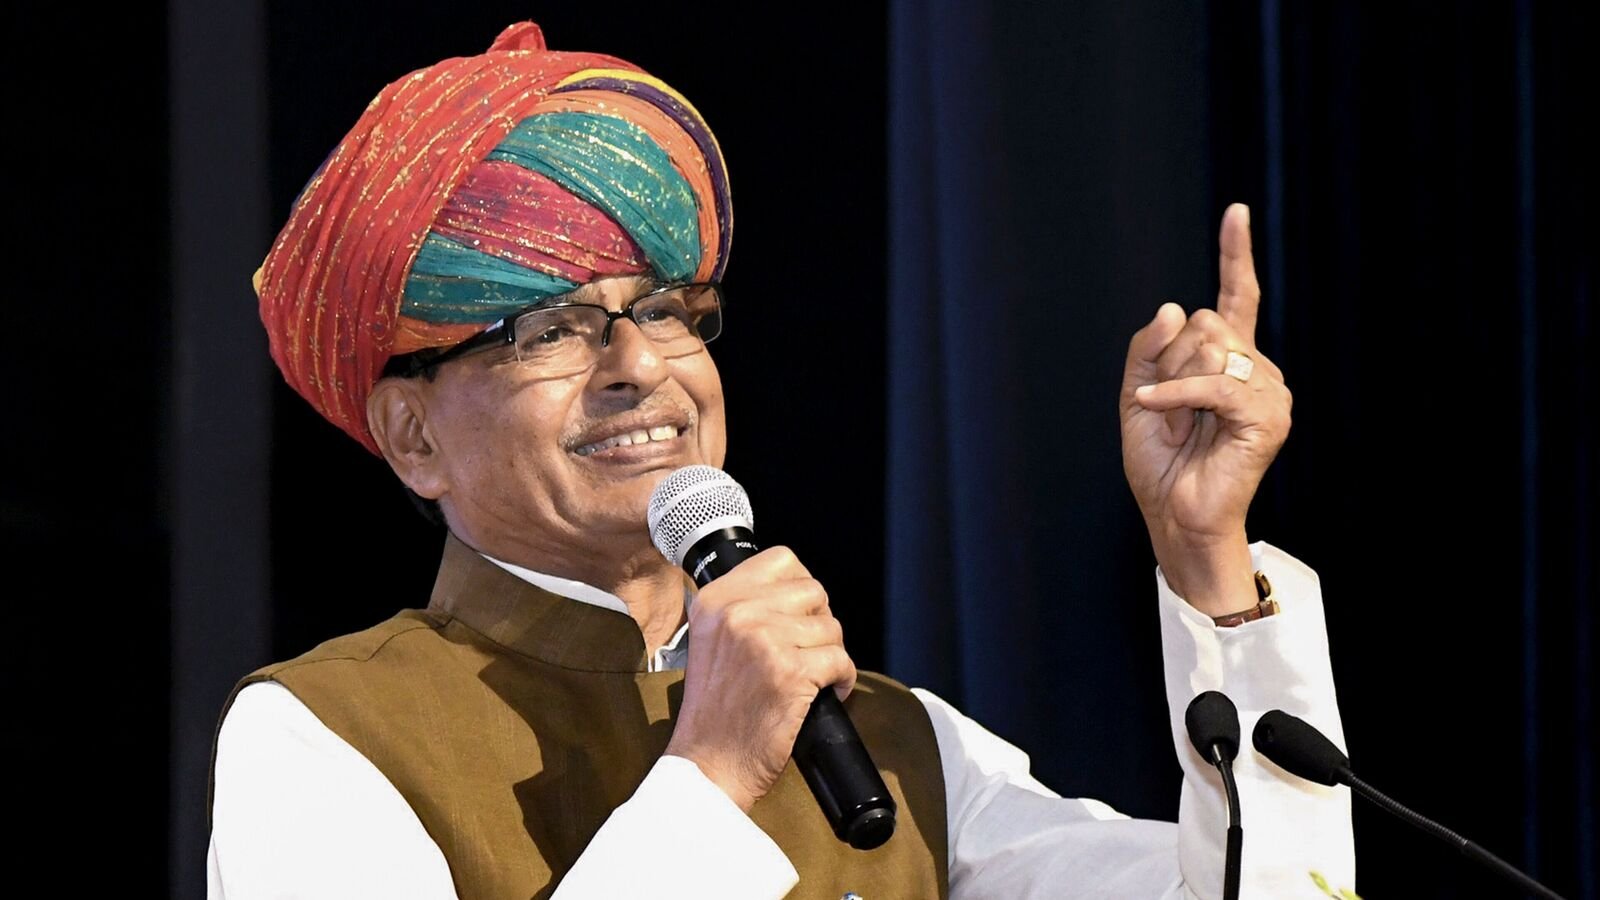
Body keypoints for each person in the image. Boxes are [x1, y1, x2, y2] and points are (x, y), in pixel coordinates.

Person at [206, 21, 1354, 899]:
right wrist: (710, 770)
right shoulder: (326, 732)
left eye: (662, 308)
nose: (635, 365)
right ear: (413, 438)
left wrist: (1206, 561)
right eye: (549, 328)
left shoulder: (897, 743)